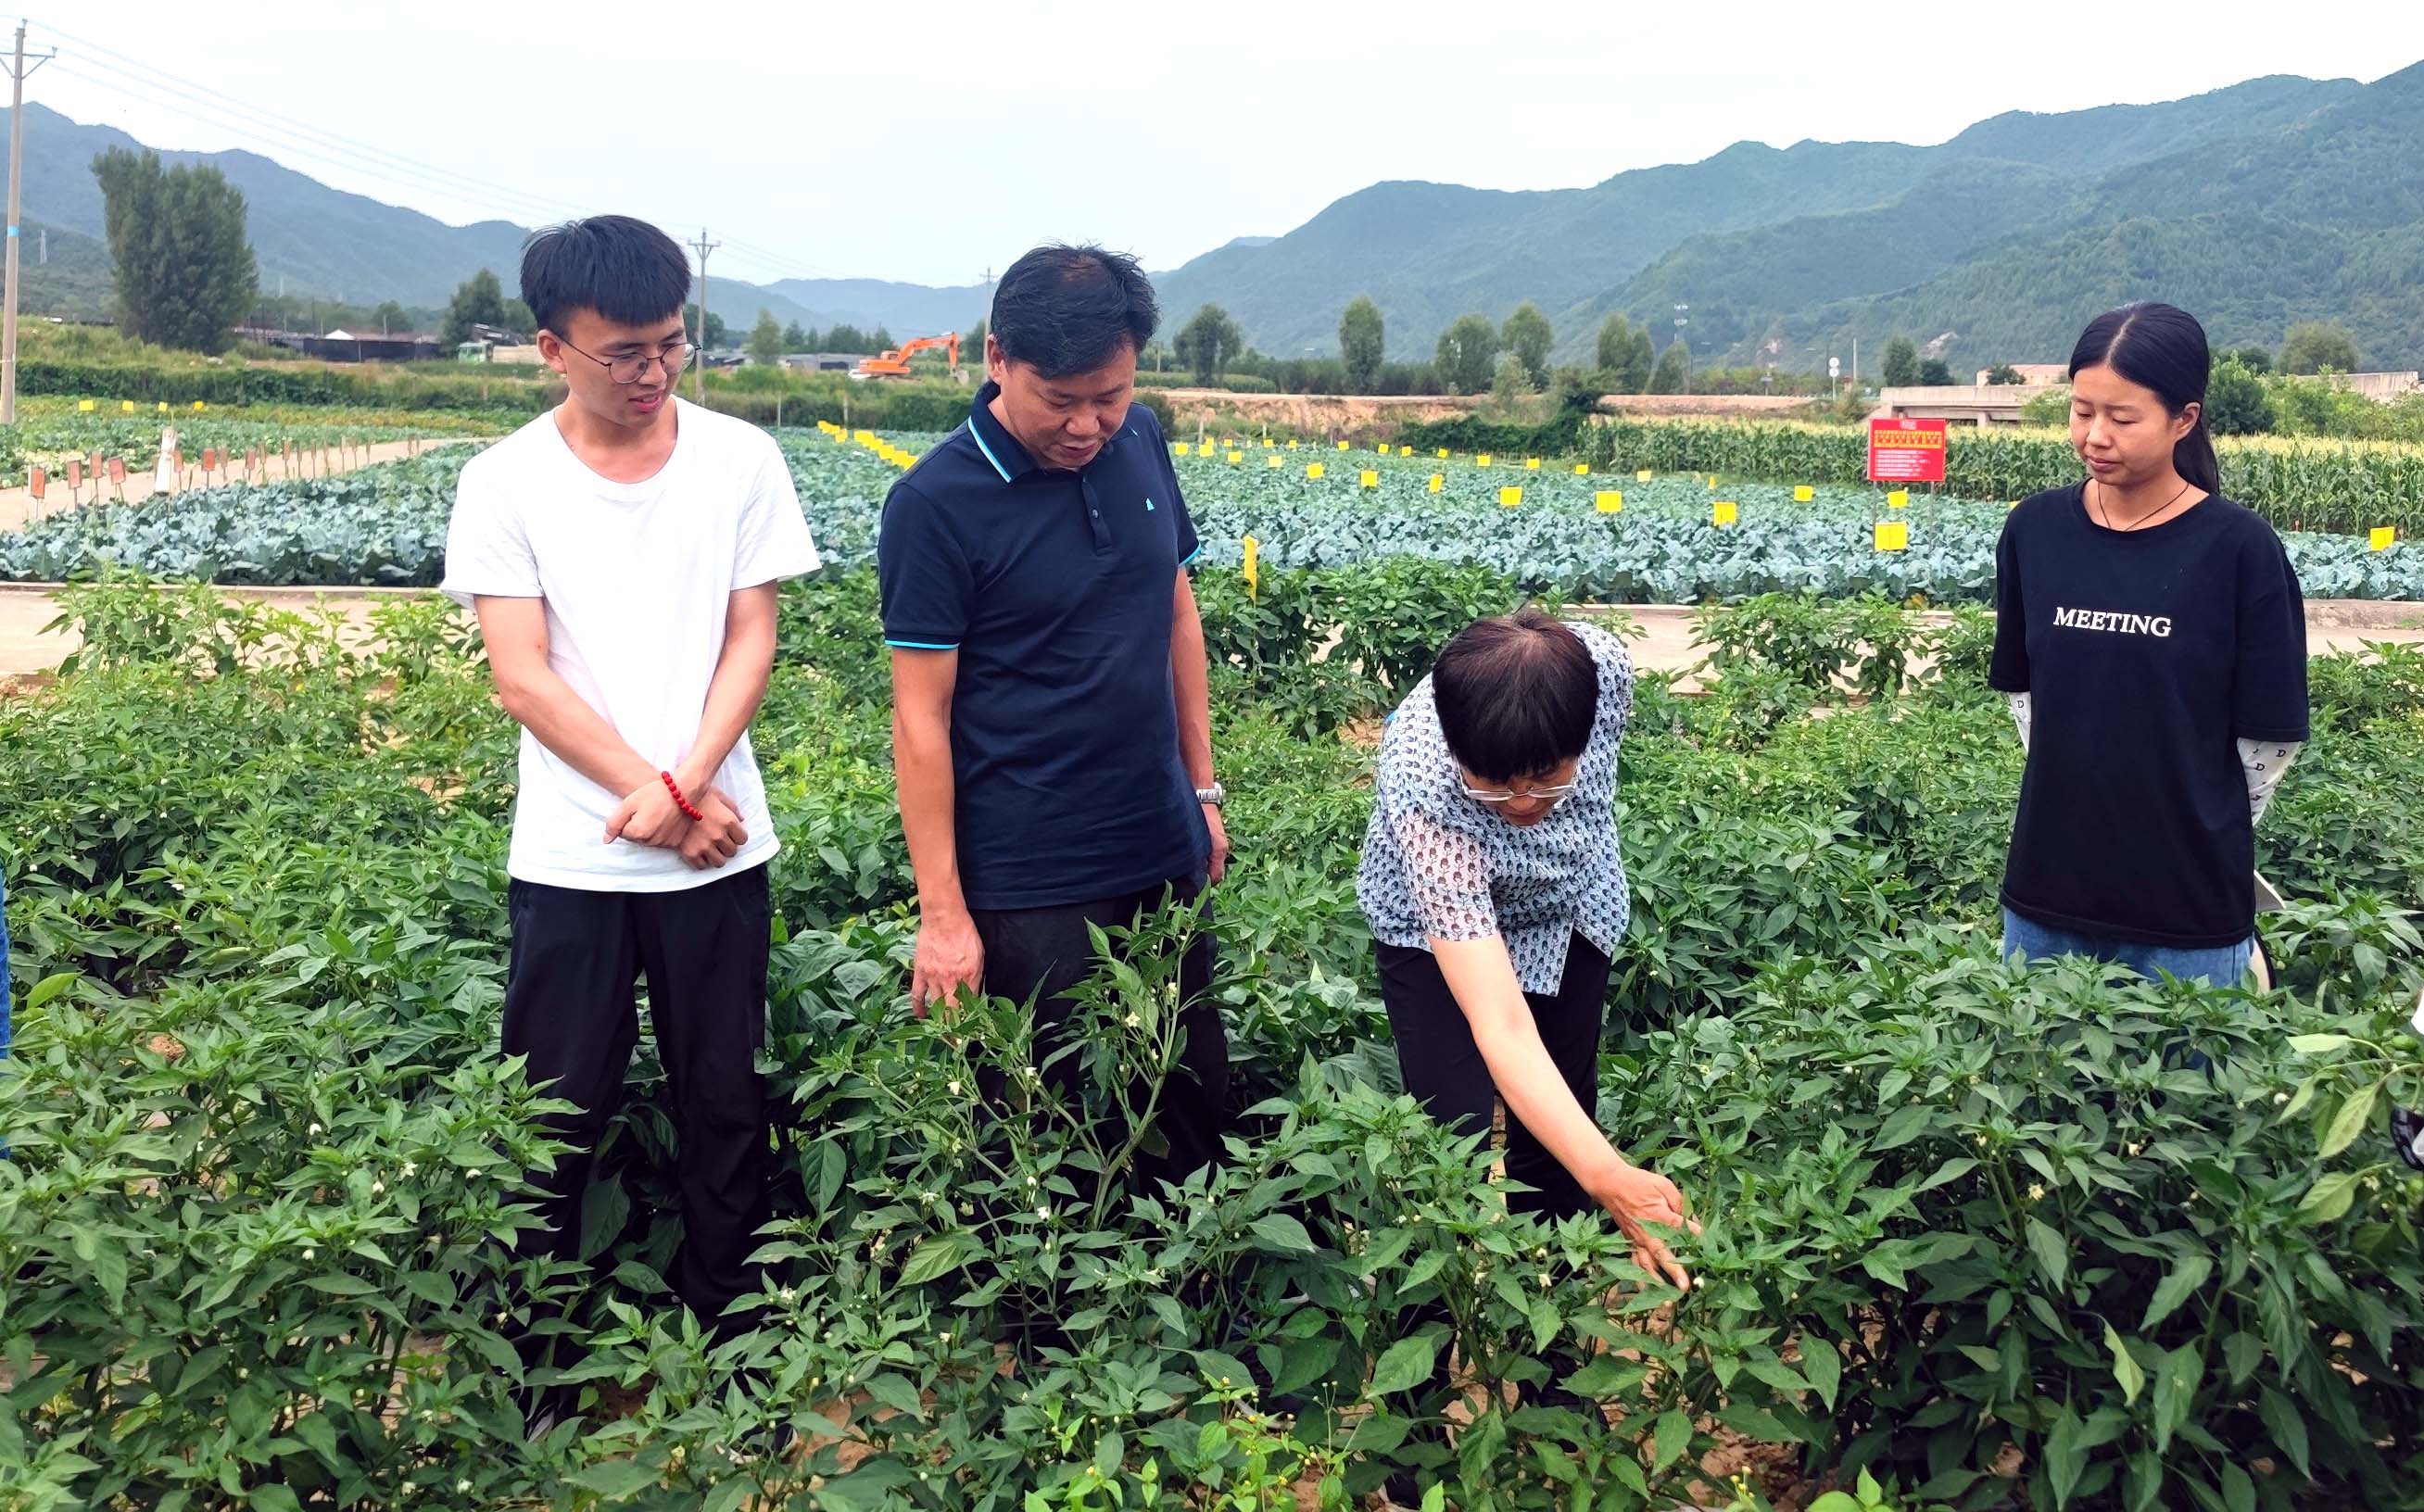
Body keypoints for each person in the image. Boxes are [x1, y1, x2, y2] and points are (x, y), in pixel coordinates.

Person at [439, 215, 821, 1424]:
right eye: (625, 354)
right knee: (554, 1115)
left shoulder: (740, 459)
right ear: (553, 348)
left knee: (726, 1102)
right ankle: (541, 1365)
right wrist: (651, 797)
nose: (654, 373)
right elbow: (522, 674)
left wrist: (689, 785)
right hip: (573, 859)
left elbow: (752, 630)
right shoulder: (503, 482)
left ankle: (736, 1341)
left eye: (671, 345)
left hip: (716, 841)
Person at [878, 243, 1229, 1198]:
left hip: (1158, 845)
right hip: (1031, 879)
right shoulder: (935, 503)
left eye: (1109, 394)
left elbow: (1175, 609)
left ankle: (1200, 1316)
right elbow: (920, 721)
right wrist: (943, 913)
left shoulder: (1141, 439)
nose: (1088, 425)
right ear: (999, 358)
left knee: (1187, 1106)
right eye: (1061, 400)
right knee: (1052, 1136)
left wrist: (1202, 789)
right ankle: (1044, 1345)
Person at [1357, 609, 1692, 1507]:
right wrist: (1614, 1170)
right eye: (1494, 787)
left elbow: (1544, 1072)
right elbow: (1496, 1020)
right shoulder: (1426, 783)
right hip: (1439, 943)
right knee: (1449, 1159)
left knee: (1557, 1152)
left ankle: (1557, 1397)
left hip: (1571, 909)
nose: (1523, 805)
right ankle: (1415, 1435)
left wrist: (1594, 1165)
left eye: (1545, 779)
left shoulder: (1606, 673)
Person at [1990, 302, 2309, 989]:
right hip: (2046, 897)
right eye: (2081, 411)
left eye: (2123, 418)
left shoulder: (2239, 550)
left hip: (2186, 915)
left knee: (2187, 1095)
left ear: (2184, 420)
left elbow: (2270, 740)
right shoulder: (2035, 531)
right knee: (2039, 1092)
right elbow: (2024, 695)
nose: (2094, 436)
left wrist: (2197, 821)